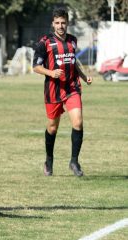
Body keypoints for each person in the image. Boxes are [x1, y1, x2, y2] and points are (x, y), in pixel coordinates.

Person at [33, 8, 93, 177]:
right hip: (53, 90)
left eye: (63, 23)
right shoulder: (44, 42)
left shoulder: (72, 41)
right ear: (53, 24)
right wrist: (51, 73)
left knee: (78, 122)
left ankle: (74, 161)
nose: (60, 26)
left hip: (72, 88)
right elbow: (36, 66)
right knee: (52, 127)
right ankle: (49, 160)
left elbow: (73, 63)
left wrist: (83, 76)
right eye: (57, 23)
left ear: (67, 23)